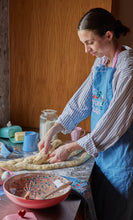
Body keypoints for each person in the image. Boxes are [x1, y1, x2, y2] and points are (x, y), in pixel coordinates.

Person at [38, 8, 133, 220]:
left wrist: (69, 147)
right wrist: (53, 130)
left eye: (89, 42)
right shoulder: (100, 62)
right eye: (83, 44)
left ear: (108, 35)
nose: (86, 50)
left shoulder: (128, 68)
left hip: (121, 160)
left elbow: (112, 124)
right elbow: (81, 102)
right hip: (101, 157)